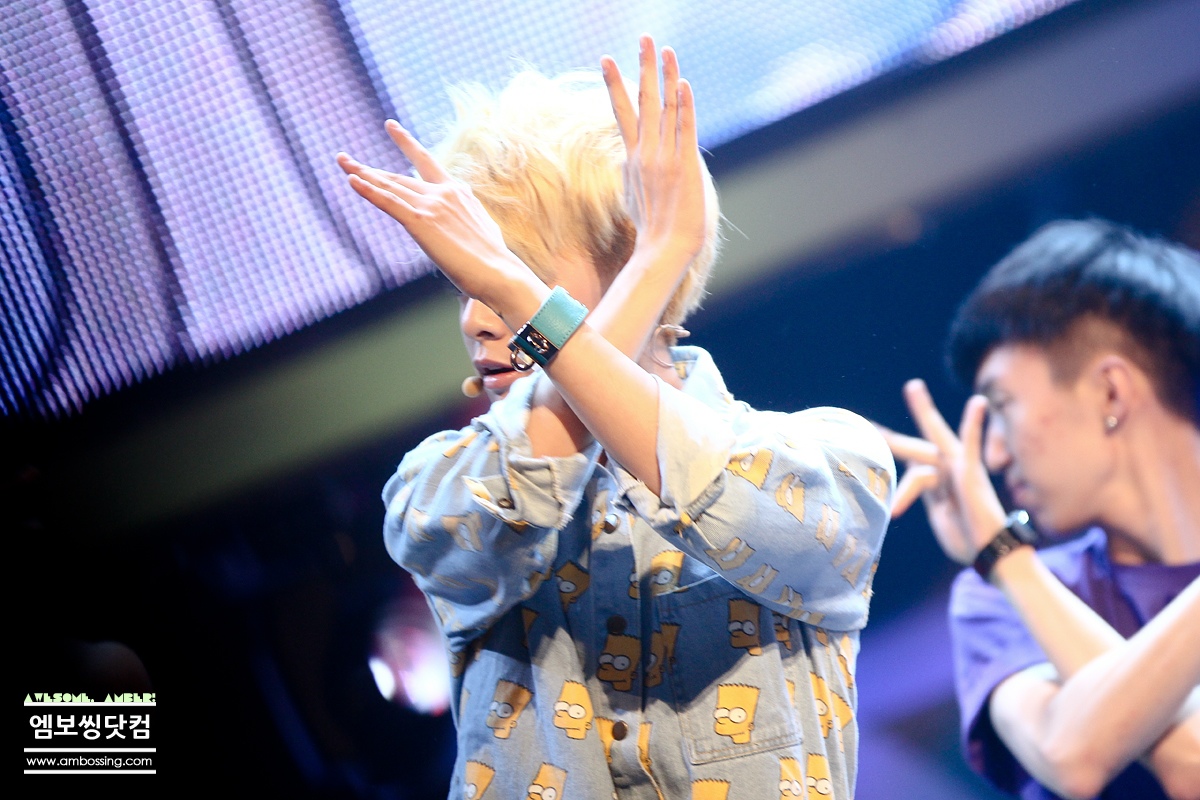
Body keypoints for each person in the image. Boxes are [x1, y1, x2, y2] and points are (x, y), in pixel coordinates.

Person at [337, 37, 894, 799]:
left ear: (633, 263)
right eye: (468, 283)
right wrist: (656, 256)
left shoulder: (829, 461)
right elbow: (491, 517)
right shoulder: (440, 482)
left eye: (515, 277)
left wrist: (650, 260)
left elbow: (737, 498)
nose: (476, 317)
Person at [883, 219, 1200, 800]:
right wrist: (1006, 559)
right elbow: (1072, 755)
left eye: (1002, 406)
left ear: (1110, 392)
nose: (994, 455)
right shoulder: (999, 593)